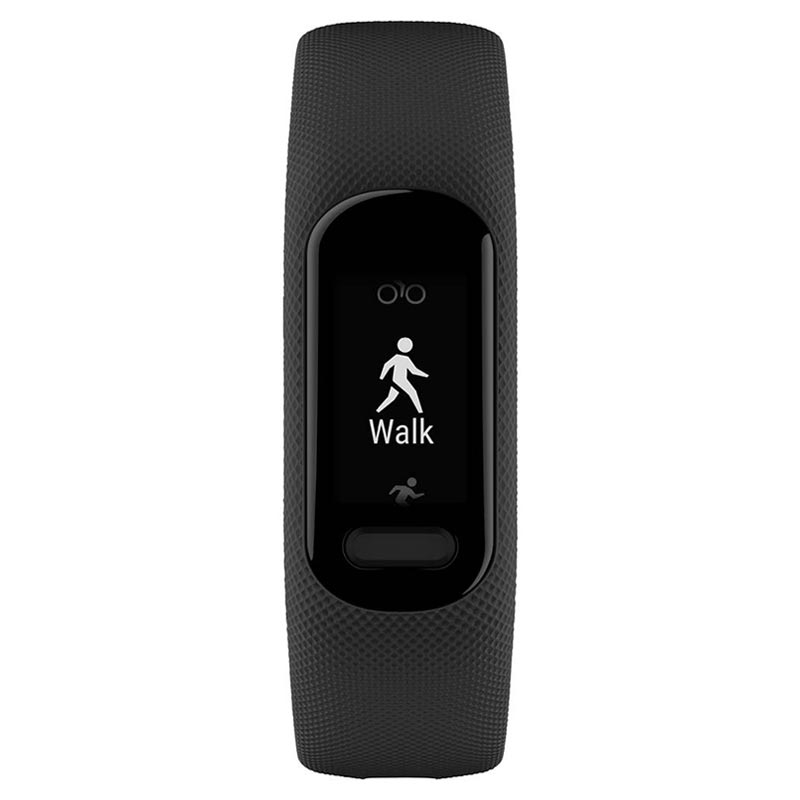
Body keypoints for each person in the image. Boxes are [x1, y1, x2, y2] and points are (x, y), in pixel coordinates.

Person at [376, 337, 428, 413]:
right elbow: (414, 371)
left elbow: (413, 371)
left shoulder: (400, 358)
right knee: (413, 392)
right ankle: (420, 412)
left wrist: (382, 377)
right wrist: (381, 377)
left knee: (391, 397)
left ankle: (378, 411)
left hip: (395, 380)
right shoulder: (402, 358)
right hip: (400, 381)